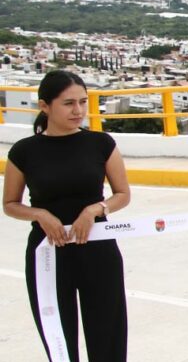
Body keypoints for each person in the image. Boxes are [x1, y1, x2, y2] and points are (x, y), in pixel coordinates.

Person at [3, 70, 131, 361]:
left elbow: (122, 194)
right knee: (58, 339)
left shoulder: (101, 143)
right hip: (48, 252)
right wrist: (40, 214)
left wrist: (96, 209)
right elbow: (10, 204)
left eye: (83, 102)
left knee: (108, 336)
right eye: (68, 103)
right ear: (44, 106)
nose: (78, 111)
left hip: (98, 249)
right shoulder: (24, 152)